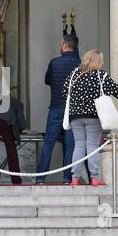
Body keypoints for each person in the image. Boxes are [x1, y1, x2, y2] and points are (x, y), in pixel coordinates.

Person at [62, 50, 118, 186]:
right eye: (101, 60)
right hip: (93, 116)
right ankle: (94, 178)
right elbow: (116, 90)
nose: (103, 63)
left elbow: (65, 91)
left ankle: (74, 178)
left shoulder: (74, 74)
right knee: (92, 145)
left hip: (75, 116)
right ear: (97, 61)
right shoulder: (101, 76)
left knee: (79, 145)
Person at [36, 25, 80, 184]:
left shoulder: (54, 63)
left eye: (61, 43)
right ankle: (67, 178)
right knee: (70, 145)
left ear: (66, 45)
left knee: (48, 143)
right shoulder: (81, 64)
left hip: (56, 108)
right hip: (73, 110)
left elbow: (47, 80)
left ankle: (40, 178)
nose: (59, 45)